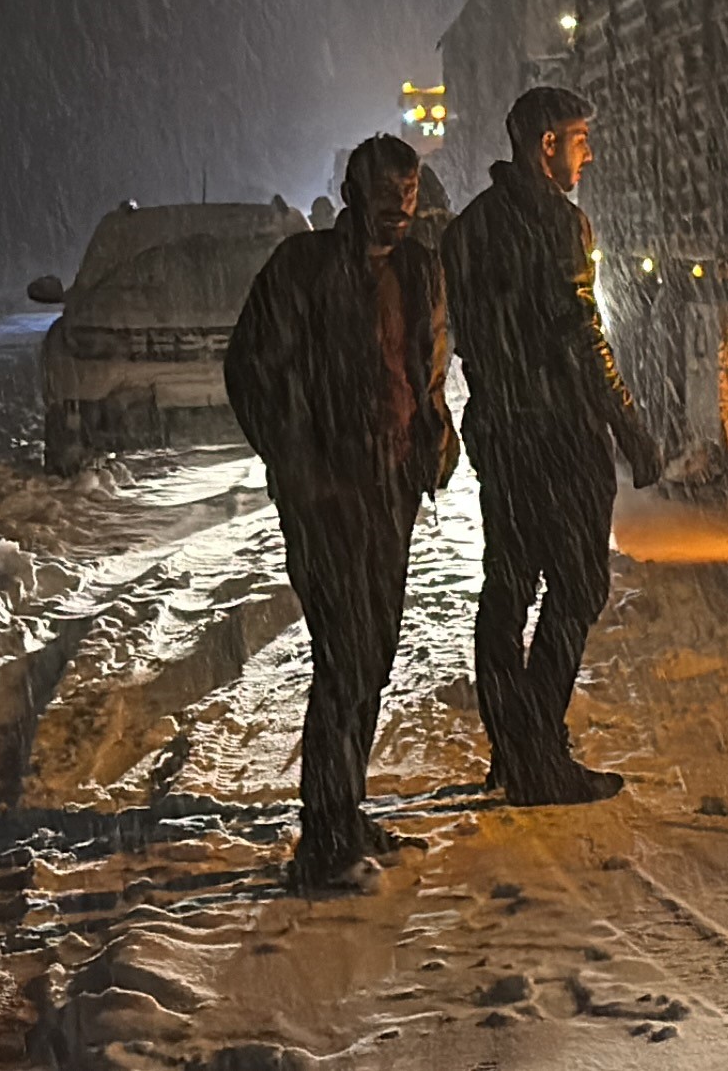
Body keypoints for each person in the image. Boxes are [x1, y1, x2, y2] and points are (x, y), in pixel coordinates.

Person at [223, 134, 457, 890]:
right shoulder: (303, 270)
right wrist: (301, 465)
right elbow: (252, 370)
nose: (399, 212)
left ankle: (347, 811)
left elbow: (426, 366)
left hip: (389, 486)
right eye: (386, 196)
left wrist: (435, 429)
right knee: (345, 653)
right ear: (354, 194)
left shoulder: (421, 270)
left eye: (410, 196)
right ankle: (324, 834)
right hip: (326, 494)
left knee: (376, 654)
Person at [442, 85, 660, 804]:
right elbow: (582, 338)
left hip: (501, 431)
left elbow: (462, 341)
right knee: (577, 585)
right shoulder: (560, 225)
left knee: (507, 589)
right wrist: (627, 424)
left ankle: (513, 749)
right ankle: (537, 747)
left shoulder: (466, 229)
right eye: (578, 139)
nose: (588, 153)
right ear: (545, 146)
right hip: (559, 433)